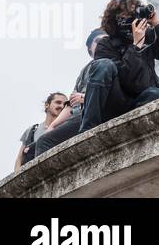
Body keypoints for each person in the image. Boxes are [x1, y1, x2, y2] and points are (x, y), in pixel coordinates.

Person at [75, 0, 159, 133]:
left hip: (138, 100)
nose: (131, 19)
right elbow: (127, 79)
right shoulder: (106, 44)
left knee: (156, 94)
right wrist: (136, 46)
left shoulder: (148, 37)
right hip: (114, 103)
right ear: (116, 20)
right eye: (125, 15)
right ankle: (87, 130)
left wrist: (157, 24)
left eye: (133, 14)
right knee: (104, 65)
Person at [32, 29, 110, 159]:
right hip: (79, 116)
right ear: (90, 49)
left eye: (105, 40)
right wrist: (52, 126)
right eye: (97, 41)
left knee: (45, 142)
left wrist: (85, 98)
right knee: (35, 146)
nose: (102, 43)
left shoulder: (112, 62)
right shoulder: (85, 71)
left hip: (97, 113)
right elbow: (70, 105)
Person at [15, 92, 67, 170]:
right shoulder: (32, 131)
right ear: (47, 105)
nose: (62, 106)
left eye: (65, 104)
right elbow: (19, 158)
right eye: (58, 102)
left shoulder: (66, 129)